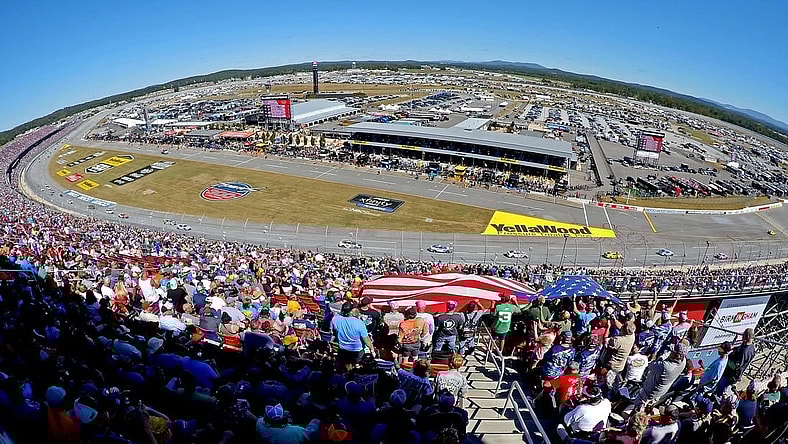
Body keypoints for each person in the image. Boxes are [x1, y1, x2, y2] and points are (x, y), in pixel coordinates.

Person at [635, 342, 688, 408]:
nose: (670, 352)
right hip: (661, 391)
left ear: (676, 355)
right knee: (650, 405)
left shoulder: (665, 366)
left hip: (649, 391)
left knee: (638, 406)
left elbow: (650, 365)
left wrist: (660, 357)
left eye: (672, 351)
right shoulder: (683, 362)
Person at [331, 301, 376, 368]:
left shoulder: (335, 319)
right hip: (357, 351)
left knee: (347, 367)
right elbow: (366, 340)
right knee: (357, 367)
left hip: (343, 349)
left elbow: (333, 332)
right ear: (352, 310)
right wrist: (372, 350)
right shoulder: (359, 323)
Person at [717, 328, 755, 396]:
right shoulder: (750, 347)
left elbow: (739, 366)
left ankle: (718, 397)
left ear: (747, 336)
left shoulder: (745, 352)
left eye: (743, 334)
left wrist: (727, 361)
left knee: (721, 386)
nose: (742, 336)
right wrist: (734, 348)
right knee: (722, 386)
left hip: (730, 374)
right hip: (731, 373)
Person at [603, 323, 635, 394]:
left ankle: (608, 393)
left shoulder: (618, 340)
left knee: (608, 382)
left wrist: (608, 327)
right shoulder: (632, 335)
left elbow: (606, 341)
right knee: (615, 380)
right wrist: (614, 320)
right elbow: (623, 328)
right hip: (620, 365)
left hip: (612, 366)